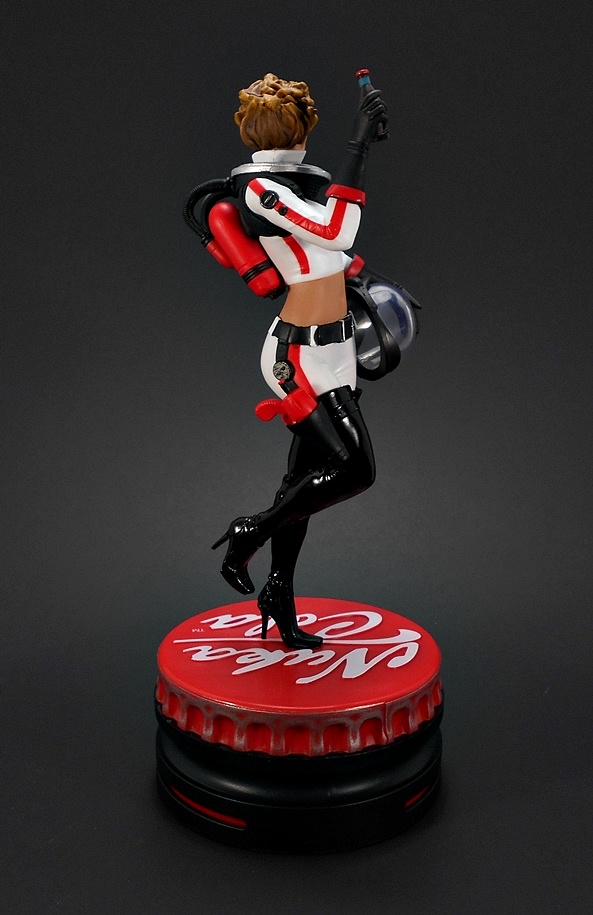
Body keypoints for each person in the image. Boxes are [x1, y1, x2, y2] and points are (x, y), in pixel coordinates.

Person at [212, 73, 388, 649]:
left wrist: (375, 282)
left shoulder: (298, 186)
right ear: (305, 130)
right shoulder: (262, 190)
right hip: (299, 356)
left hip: (337, 349)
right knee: (355, 469)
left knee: (303, 481)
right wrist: (358, 145)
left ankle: (278, 591)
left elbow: (332, 255)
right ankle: (249, 532)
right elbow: (337, 230)